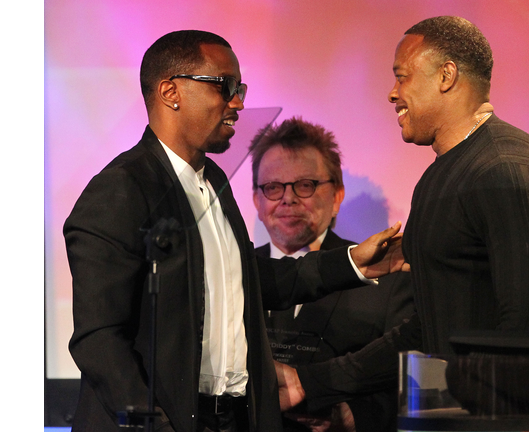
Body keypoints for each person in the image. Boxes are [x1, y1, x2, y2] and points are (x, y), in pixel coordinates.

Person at [63, 30, 406, 432]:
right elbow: (99, 337)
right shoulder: (121, 188)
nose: (238, 102)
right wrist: (150, 423)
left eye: (239, 88)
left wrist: (352, 263)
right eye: (225, 86)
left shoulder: (214, 182)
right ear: (171, 92)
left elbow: (250, 280)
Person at [275, 15, 529, 416]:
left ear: (446, 75)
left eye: (402, 77)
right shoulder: (440, 175)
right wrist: (311, 383)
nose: (392, 93)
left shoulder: (509, 171)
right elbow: (428, 330)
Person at [249, 117, 414, 431]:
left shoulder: (387, 276)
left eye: (305, 185)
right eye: (272, 187)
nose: (288, 198)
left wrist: (352, 416)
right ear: (256, 200)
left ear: (337, 195)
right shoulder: (233, 274)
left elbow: (413, 388)